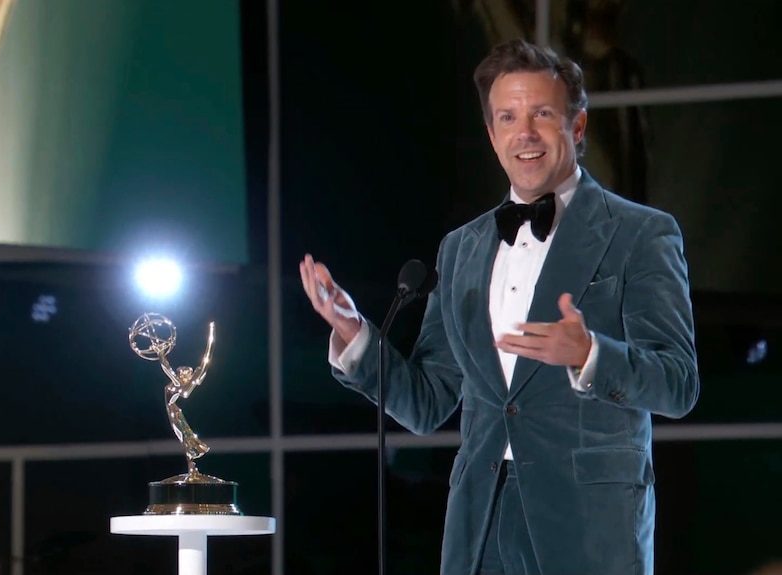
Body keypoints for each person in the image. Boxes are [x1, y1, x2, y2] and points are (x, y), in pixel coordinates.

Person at [299, 38, 699, 575]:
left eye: (542, 114)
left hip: (588, 523)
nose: (525, 133)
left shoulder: (641, 233)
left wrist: (590, 355)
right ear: (491, 135)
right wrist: (356, 336)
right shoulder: (460, 248)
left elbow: (678, 384)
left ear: (577, 128)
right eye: (508, 117)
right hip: (480, 522)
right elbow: (428, 402)